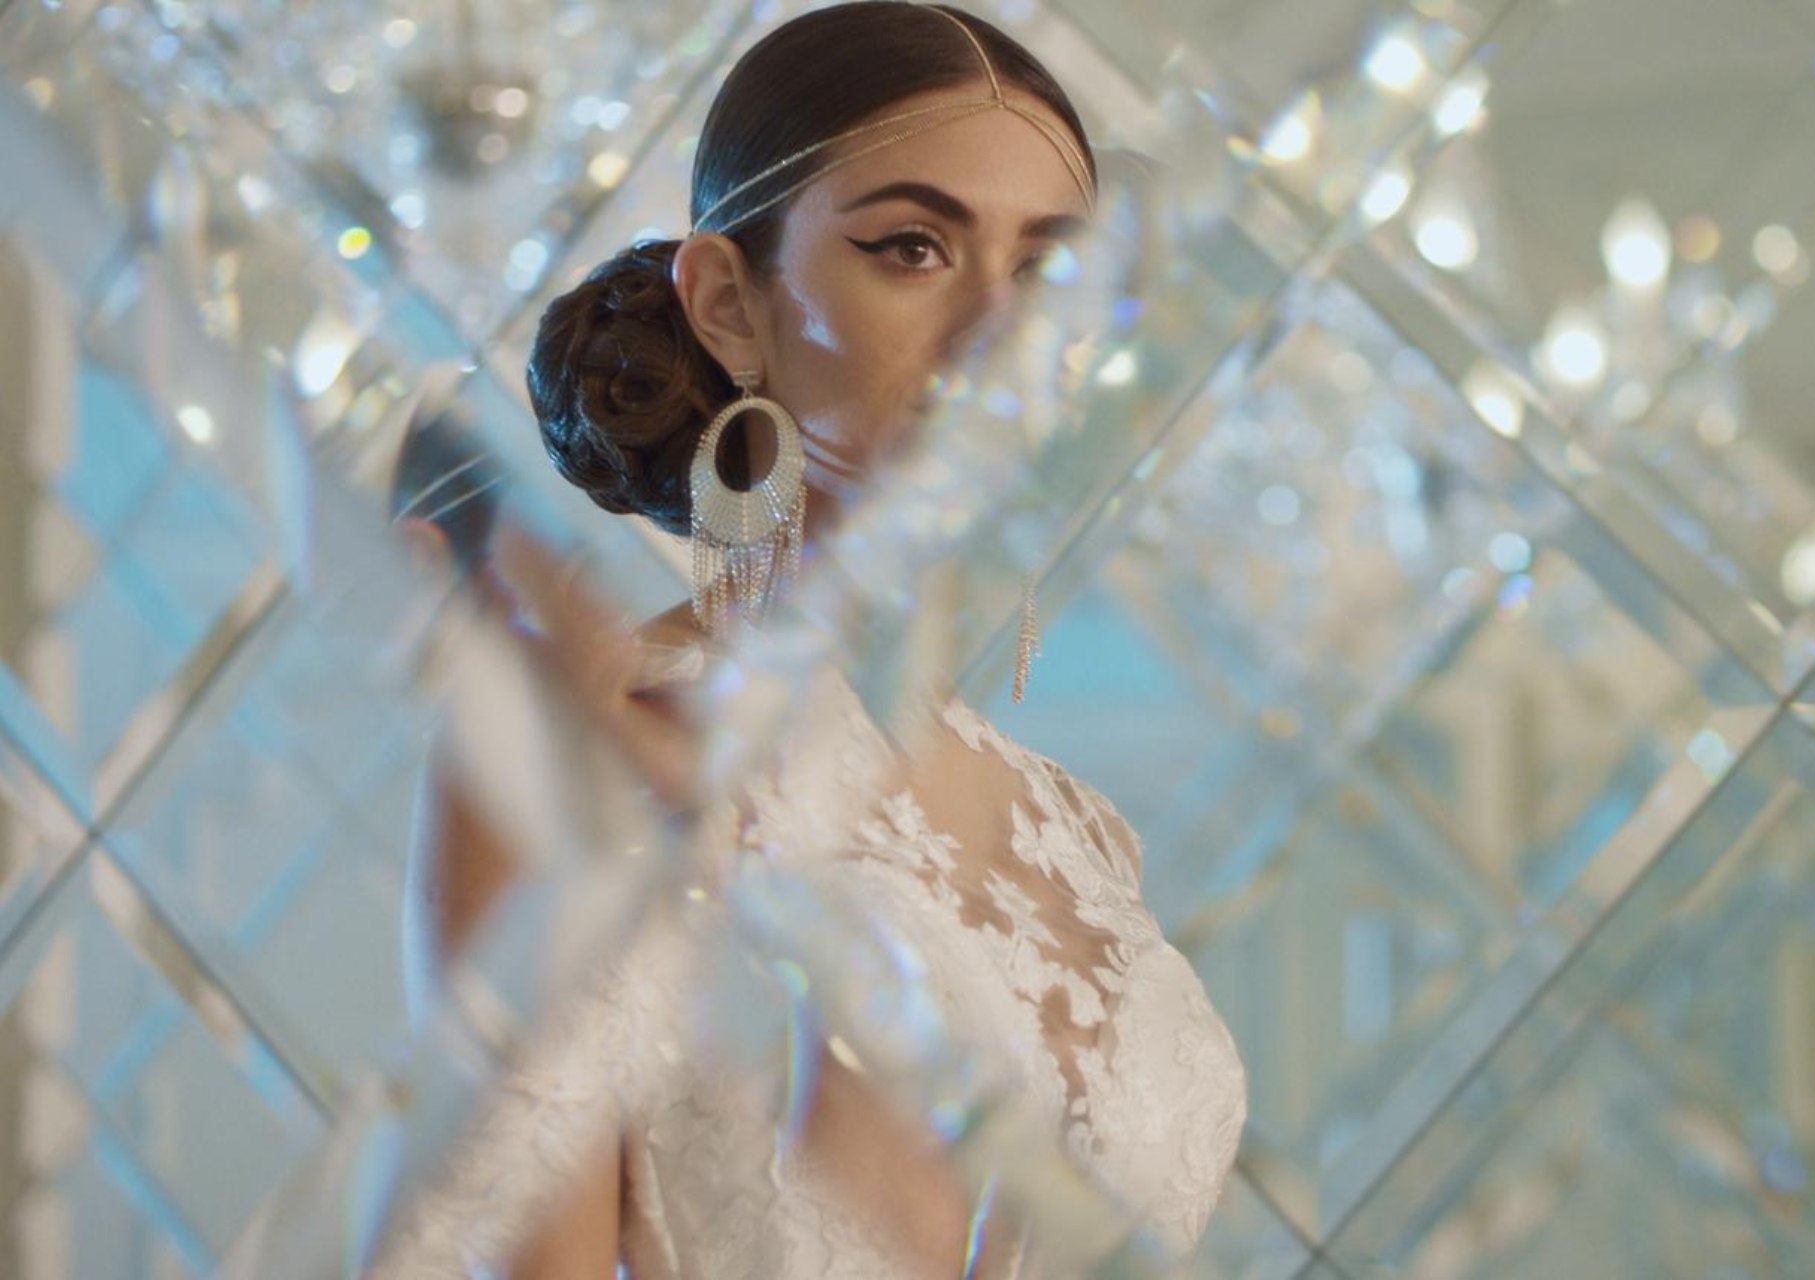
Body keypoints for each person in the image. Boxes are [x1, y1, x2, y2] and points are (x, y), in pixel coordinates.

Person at [373, 4, 1246, 1276]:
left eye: (1051, 274)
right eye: (913, 247)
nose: (1005, 333)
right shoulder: (593, 752)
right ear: (732, 305)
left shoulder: (1081, 827)